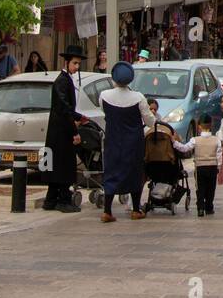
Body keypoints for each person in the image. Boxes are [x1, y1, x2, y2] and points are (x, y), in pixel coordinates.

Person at [97, 61, 152, 223]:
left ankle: (107, 211)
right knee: (134, 172)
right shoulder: (138, 97)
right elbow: (149, 121)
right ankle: (136, 209)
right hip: (133, 141)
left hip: (113, 139)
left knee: (111, 170)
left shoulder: (104, 95)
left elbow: (104, 112)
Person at [41, 45, 89, 212]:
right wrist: (75, 131)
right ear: (67, 62)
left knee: (56, 165)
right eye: (75, 63)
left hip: (59, 129)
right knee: (63, 165)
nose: (77, 67)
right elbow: (64, 108)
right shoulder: (62, 81)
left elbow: (67, 108)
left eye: (78, 64)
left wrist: (79, 117)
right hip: (61, 131)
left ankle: (50, 200)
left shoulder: (65, 80)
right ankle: (62, 200)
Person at [177, 114, 219, 216]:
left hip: (200, 167)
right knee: (211, 188)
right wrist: (219, 166)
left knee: (200, 188)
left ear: (199, 126)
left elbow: (184, 148)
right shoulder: (216, 140)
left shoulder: (195, 140)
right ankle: (209, 207)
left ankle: (200, 208)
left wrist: (174, 142)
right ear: (211, 125)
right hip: (213, 167)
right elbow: (220, 154)